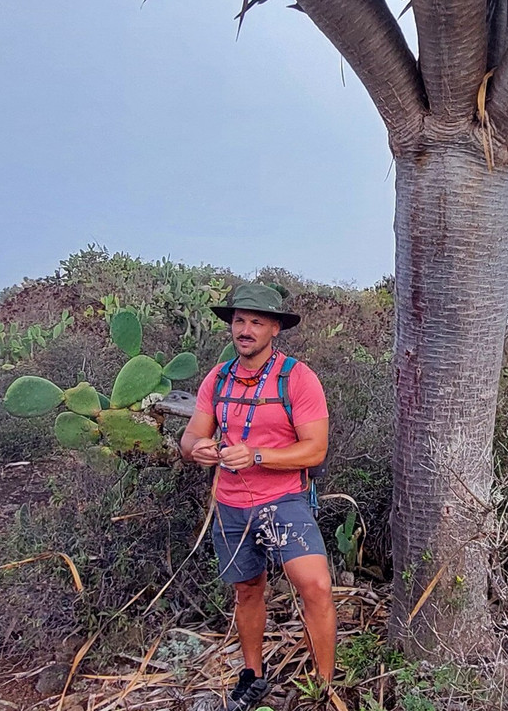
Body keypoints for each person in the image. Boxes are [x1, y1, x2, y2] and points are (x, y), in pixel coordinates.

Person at [180, 283, 336, 711]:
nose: (245, 330)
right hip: (230, 505)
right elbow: (190, 437)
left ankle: (323, 689)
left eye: (256, 322)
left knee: (316, 586)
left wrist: (258, 455)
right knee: (248, 590)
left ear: (275, 329)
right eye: (239, 321)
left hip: (283, 501)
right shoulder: (218, 378)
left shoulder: (298, 378)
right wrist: (197, 448)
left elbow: (315, 449)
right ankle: (252, 676)